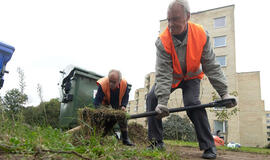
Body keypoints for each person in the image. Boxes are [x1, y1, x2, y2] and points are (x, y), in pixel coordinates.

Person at [146, 0, 237, 159]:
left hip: (192, 77)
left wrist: (224, 94)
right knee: (152, 98)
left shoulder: (201, 34)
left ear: (187, 17)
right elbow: (163, 73)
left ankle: (209, 146)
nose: (171, 24)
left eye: (175, 19)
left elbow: (211, 65)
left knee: (193, 104)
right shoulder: (163, 41)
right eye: (168, 19)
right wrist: (162, 102)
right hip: (172, 77)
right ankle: (156, 142)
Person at [94, 69, 134, 146]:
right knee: (107, 122)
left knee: (122, 117)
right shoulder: (103, 84)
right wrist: (100, 111)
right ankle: (99, 138)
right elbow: (97, 101)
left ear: (119, 81)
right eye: (110, 81)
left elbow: (126, 96)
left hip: (117, 104)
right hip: (105, 104)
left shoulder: (124, 84)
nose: (111, 84)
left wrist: (123, 105)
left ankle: (125, 139)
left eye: (114, 82)